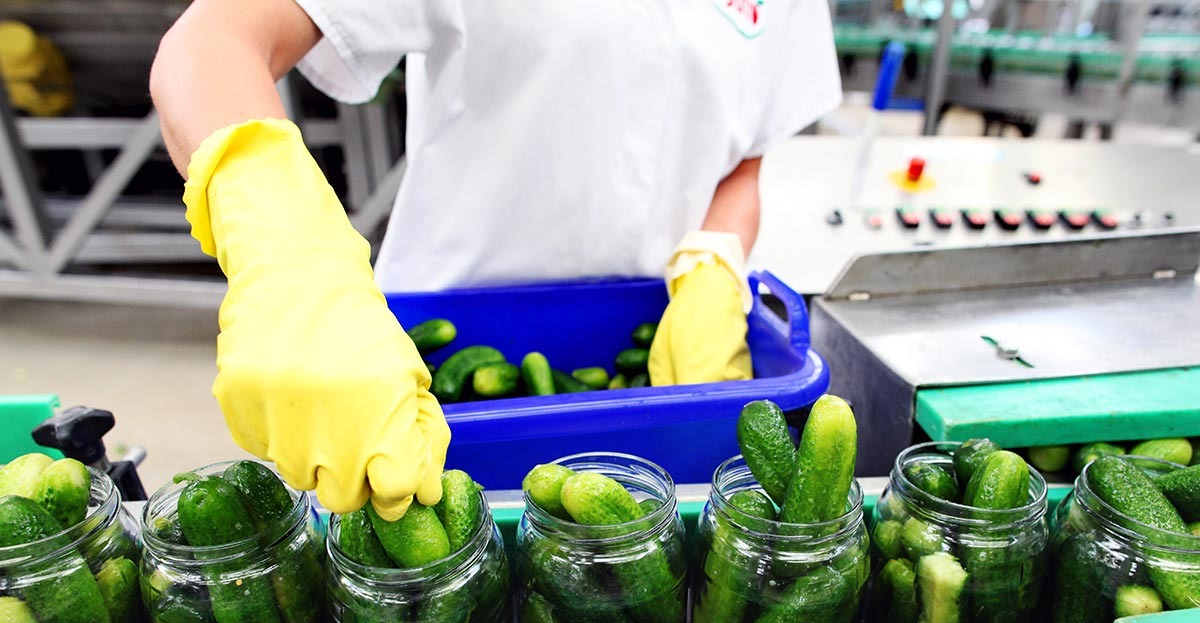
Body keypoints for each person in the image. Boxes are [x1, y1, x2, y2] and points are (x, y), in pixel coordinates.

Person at [150, 0, 841, 521]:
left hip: (661, 367)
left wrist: (715, 257)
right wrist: (286, 249)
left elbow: (746, 155)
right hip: (415, 369)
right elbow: (213, 41)